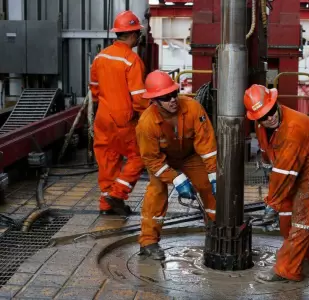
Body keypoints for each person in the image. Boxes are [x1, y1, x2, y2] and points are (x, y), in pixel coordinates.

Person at [243, 84, 309, 282]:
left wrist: (271, 203)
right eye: (263, 116)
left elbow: (285, 173)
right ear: (256, 118)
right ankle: (305, 256)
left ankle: (286, 270)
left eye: (271, 111)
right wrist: (266, 165)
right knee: (287, 211)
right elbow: (268, 151)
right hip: (299, 163)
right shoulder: (262, 124)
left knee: (303, 217)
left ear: (275, 103)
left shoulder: (293, 127)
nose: (270, 117)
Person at [136, 70, 217, 259]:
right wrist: (177, 180)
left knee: (208, 187)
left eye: (174, 93)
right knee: (156, 193)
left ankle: (215, 230)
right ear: (155, 100)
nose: (172, 99)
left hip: (190, 155)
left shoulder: (194, 108)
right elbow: (151, 159)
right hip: (161, 160)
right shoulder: (146, 123)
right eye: (165, 97)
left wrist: (213, 174)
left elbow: (208, 146)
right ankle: (148, 242)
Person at [89, 10, 150, 216]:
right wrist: (148, 116)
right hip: (123, 119)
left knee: (107, 158)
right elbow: (140, 97)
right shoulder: (131, 60)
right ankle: (117, 194)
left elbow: (94, 88)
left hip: (103, 117)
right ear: (133, 35)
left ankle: (106, 204)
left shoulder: (100, 56)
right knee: (139, 156)